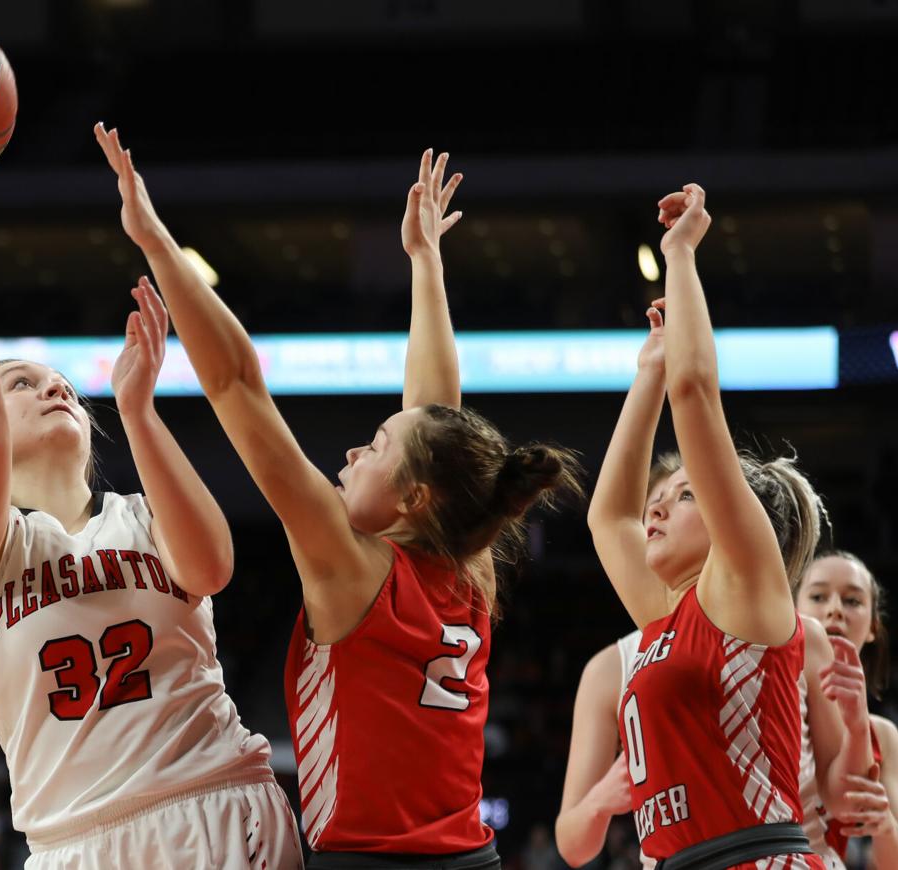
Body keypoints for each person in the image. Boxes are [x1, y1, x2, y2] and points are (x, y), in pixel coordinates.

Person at [96, 124, 584, 868]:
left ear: (414, 497)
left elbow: (234, 383)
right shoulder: (465, 566)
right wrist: (426, 265)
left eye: (376, 445)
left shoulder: (353, 569)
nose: (353, 451)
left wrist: (158, 243)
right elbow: (436, 418)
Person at [0, 135, 301, 870]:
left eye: (62, 384)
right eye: (22, 382)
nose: (52, 387)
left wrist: (140, 411)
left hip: (216, 806)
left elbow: (212, 568)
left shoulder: (140, 518)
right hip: (77, 844)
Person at [586, 183, 853, 868]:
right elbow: (608, 514)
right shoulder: (669, 616)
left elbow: (697, 392)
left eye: (682, 496)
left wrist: (680, 256)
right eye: (663, 495)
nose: (655, 508)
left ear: (737, 518)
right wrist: (647, 371)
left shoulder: (742, 590)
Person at [556, 459, 870, 869]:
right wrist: (602, 798)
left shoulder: (792, 631)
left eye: (685, 496)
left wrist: (859, 724)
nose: (656, 515)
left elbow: (842, 797)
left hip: (779, 848)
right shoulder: (617, 661)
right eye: (654, 503)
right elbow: (573, 844)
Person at [796, 552, 898, 869]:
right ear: (794, 610)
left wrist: (885, 826)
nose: (835, 609)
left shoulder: (883, 734)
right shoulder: (774, 694)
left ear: (873, 626)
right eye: (818, 596)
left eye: (852, 601)